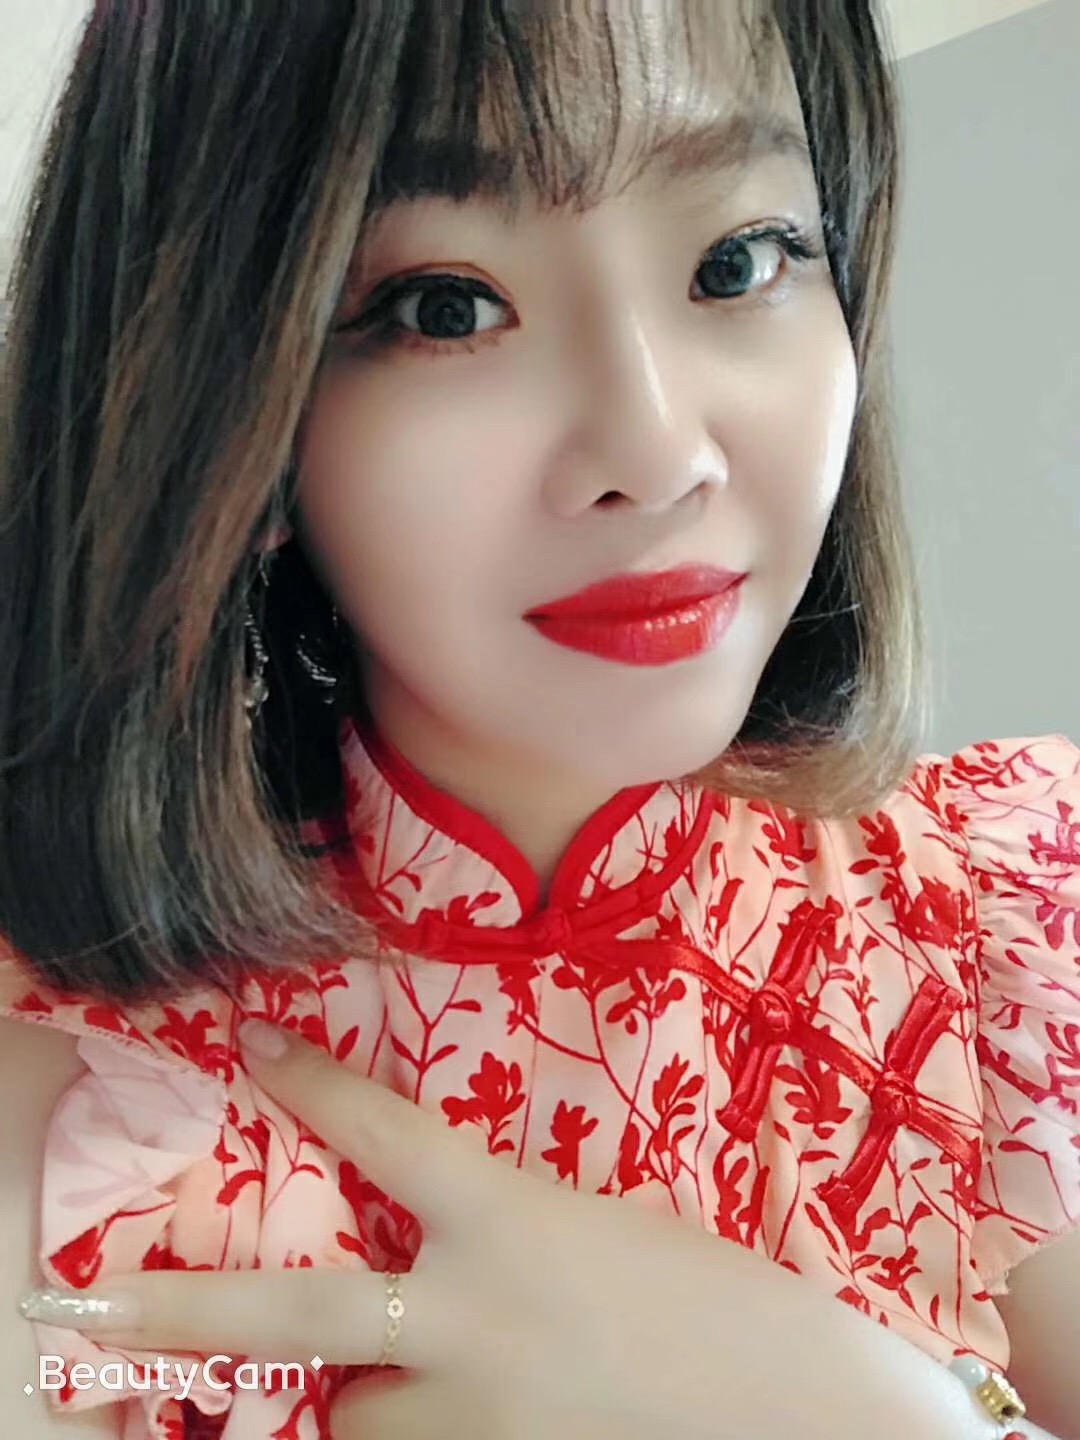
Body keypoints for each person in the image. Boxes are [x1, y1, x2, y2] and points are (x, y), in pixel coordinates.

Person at [0, 1, 1077, 1437]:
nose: (655, 450)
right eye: (445, 306)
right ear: (226, 408)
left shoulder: (1004, 921)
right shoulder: (79, 1085)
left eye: (738, 259)